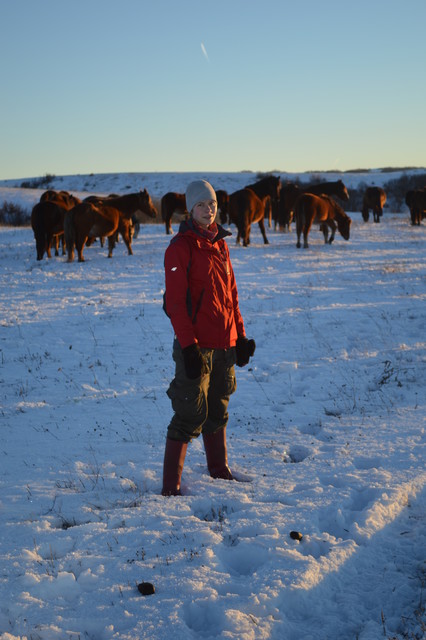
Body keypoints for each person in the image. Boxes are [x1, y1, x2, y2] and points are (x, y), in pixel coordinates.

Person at [161, 179, 256, 496]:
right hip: (197, 346)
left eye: (212, 204)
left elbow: (231, 295)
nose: (208, 210)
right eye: (201, 205)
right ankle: (170, 486)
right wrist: (188, 348)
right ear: (190, 209)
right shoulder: (180, 247)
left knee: (218, 408)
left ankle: (219, 470)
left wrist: (239, 336)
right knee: (190, 412)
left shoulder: (221, 243)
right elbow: (175, 304)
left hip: (225, 343)